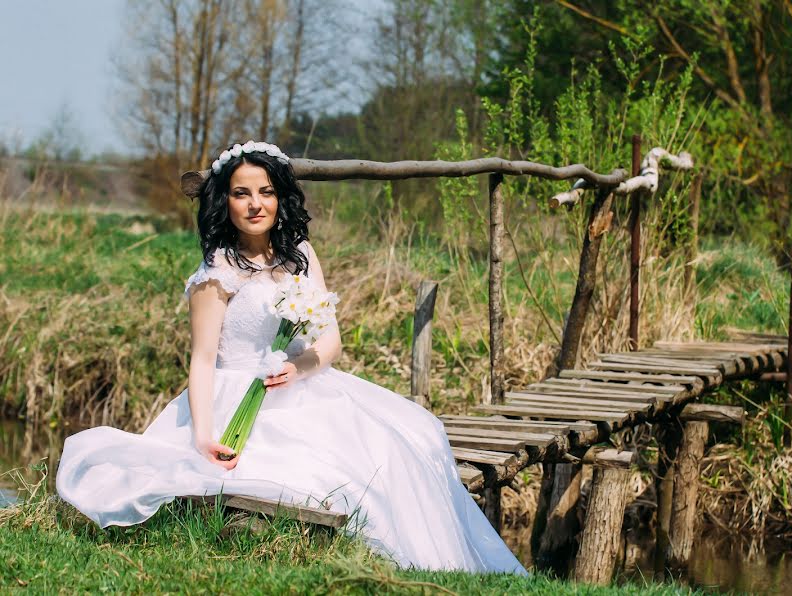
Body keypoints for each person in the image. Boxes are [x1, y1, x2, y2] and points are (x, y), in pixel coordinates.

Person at [55, 141, 527, 575]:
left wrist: (298, 367)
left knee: (414, 436)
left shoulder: (299, 254)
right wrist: (202, 437)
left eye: (266, 192)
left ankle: (437, 566)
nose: (255, 203)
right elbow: (201, 360)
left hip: (300, 383)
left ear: (281, 198)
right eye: (242, 194)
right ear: (226, 201)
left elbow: (330, 342)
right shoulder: (216, 273)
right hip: (234, 394)